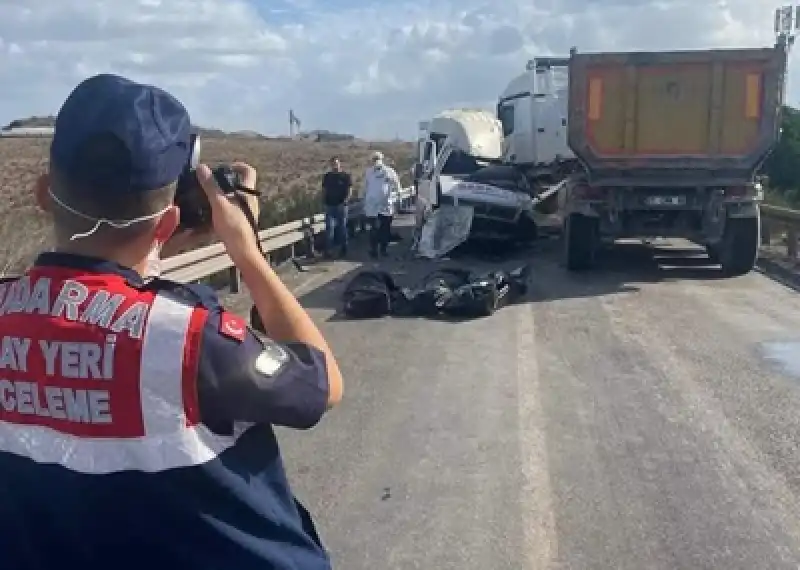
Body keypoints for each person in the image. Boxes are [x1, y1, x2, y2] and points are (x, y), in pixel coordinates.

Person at [0, 73, 343, 570]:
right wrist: (247, 254)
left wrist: (147, 248)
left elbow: (96, 291)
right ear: (167, 223)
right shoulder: (188, 339)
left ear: (42, 193)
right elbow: (324, 383)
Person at [363, 150, 401, 258]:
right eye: (374, 159)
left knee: (385, 229)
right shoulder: (368, 172)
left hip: (386, 205)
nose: (376, 161)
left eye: (377, 158)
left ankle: (383, 249)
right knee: (374, 229)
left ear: (381, 159)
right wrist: (363, 199)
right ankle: (374, 250)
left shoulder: (389, 171)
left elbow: (397, 184)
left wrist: (399, 197)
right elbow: (365, 186)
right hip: (372, 205)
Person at [321, 155, 352, 258]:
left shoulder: (345, 176)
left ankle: (344, 247)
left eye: (336, 163)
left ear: (340, 164)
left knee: (342, 227)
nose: (335, 165)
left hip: (341, 206)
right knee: (329, 228)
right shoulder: (327, 176)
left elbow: (349, 191)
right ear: (331, 165)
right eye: (333, 164)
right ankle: (329, 250)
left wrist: (344, 202)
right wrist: (324, 202)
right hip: (330, 205)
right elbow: (324, 190)